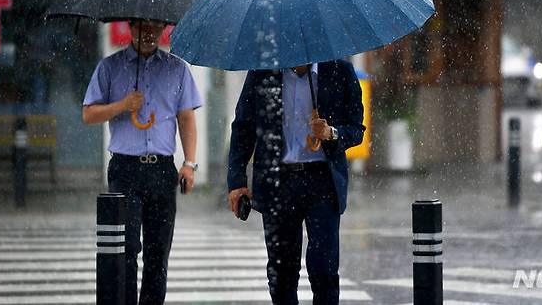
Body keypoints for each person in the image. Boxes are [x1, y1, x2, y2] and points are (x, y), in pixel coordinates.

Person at [82, 19, 202, 305]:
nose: (148, 33)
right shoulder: (110, 67)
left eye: (154, 27)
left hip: (162, 170)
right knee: (126, 249)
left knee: (158, 254)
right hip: (125, 169)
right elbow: (89, 114)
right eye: (140, 27)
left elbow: (186, 118)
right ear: (130, 28)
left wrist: (190, 163)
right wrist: (122, 105)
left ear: (163, 29)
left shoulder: (177, 69)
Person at [227, 60, 365, 304]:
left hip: (322, 181)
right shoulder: (262, 72)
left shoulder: (339, 70)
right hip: (278, 181)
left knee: (324, 269)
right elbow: (244, 127)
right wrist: (237, 180)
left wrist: (332, 133)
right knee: (281, 274)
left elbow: (356, 129)